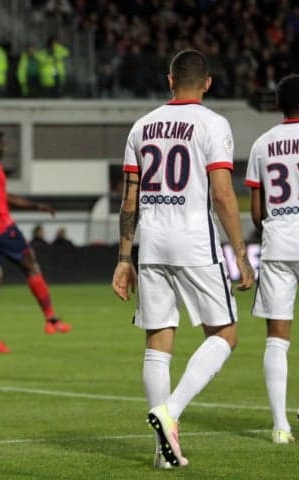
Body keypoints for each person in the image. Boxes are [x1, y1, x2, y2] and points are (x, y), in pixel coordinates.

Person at [111, 49, 255, 469]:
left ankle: (162, 451)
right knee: (225, 334)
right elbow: (223, 193)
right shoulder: (213, 124)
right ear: (207, 83)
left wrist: (124, 258)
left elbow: (128, 199)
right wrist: (241, 253)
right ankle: (170, 411)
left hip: (152, 243)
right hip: (194, 240)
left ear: (169, 80)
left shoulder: (142, 126)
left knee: (158, 342)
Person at [0, 129, 72, 354]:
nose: (4, 149)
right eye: (1, 144)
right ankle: (51, 320)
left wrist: (35, 206)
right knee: (31, 265)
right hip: (0, 228)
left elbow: (2, 197)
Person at [245, 73, 299, 445]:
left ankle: (280, 426)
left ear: (278, 104)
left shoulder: (263, 144)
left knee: (276, 339)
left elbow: (255, 209)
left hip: (279, 241)